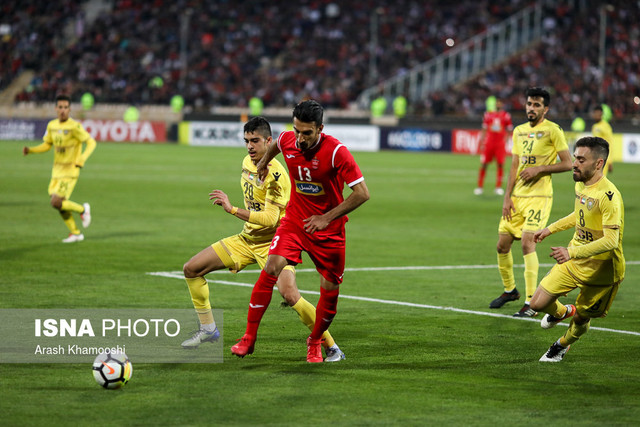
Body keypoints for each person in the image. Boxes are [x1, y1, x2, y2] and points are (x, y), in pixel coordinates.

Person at [182, 116, 345, 362]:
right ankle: (208, 330)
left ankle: (331, 345)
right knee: (191, 269)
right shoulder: (248, 161)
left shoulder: (277, 175)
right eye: (246, 140)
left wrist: (232, 209)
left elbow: (270, 219)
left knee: (290, 295)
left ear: (269, 141)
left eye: (255, 141)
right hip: (246, 240)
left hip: (275, 244)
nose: (249, 146)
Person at [231, 100, 370, 363]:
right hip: (295, 220)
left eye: (307, 133)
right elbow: (278, 143)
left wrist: (326, 217)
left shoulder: (336, 152)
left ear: (320, 128)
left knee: (330, 296)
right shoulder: (288, 139)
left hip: (329, 231)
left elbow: (363, 193)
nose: (300, 138)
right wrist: (263, 164)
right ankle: (248, 338)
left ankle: (315, 339)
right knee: (271, 266)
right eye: (297, 131)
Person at [530, 136, 624, 362]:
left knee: (581, 319)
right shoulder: (581, 183)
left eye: (581, 160)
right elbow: (579, 214)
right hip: (575, 259)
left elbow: (611, 241)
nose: (574, 164)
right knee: (537, 303)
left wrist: (570, 252)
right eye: (575, 158)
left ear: (598, 164)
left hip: (602, 272)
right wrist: (550, 229)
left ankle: (561, 345)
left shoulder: (609, 196)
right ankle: (563, 312)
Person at [490, 87, 572, 317]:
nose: (531, 108)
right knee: (502, 245)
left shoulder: (553, 130)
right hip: (517, 197)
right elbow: (514, 166)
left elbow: (568, 163)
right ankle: (510, 291)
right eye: (529, 104)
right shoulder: (518, 131)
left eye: (536, 105)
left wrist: (541, 169)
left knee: (528, 243)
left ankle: (530, 302)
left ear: (546, 109)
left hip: (540, 197)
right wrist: (507, 197)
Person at [22, 94, 96, 242]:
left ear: (70, 109)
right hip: (56, 170)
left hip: (70, 170)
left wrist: (81, 158)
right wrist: (31, 150)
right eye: (60, 107)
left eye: (66, 107)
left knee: (56, 202)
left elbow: (91, 142)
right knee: (58, 205)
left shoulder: (74, 126)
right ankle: (75, 233)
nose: (63, 110)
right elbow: (47, 145)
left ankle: (83, 210)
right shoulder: (52, 126)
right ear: (56, 108)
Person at [474, 98, 513, 196]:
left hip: (499, 144)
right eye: (497, 103)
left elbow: (509, 129)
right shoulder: (488, 115)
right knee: (484, 164)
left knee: (500, 164)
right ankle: (479, 187)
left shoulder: (506, 116)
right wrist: (482, 142)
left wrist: (506, 140)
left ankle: (498, 187)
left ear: (502, 104)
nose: (498, 104)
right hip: (489, 143)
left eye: (500, 103)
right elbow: (484, 129)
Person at [591, 105, 614, 175]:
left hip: (603, 158)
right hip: (595, 157)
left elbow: (610, 143)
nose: (594, 115)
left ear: (601, 114)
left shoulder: (606, 126)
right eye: (594, 113)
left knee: (600, 180)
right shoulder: (594, 126)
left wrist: (609, 161)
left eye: (596, 113)